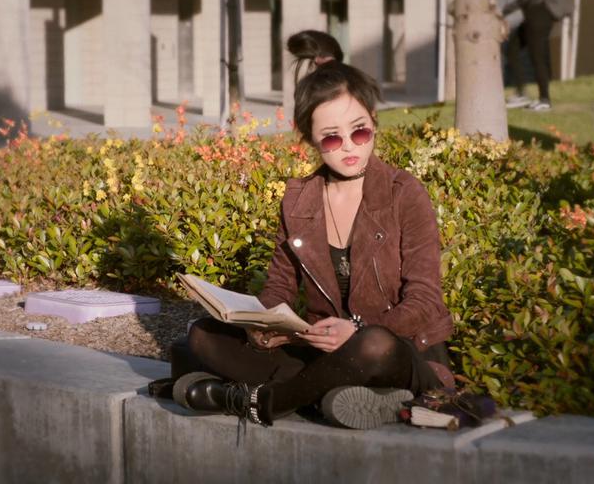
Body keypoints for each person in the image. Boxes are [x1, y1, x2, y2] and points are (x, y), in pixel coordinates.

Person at [172, 30, 454, 430]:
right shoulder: (299, 200)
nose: (349, 147)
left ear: (374, 122)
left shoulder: (403, 193)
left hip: (400, 350)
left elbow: (426, 300)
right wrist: (264, 327)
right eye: (331, 139)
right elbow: (279, 288)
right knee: (201, 335)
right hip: (325, 353)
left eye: (359, 131)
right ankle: (337, 397)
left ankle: (273, 400)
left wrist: (355, 333)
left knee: (373, 345)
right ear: (311, 142)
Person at [507, 0, 559, 111]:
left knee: (538, 57)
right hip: (534, 15)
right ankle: (521, 92)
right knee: (512, 49)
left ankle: (545, 99)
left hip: (538, 16)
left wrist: (502, 10)